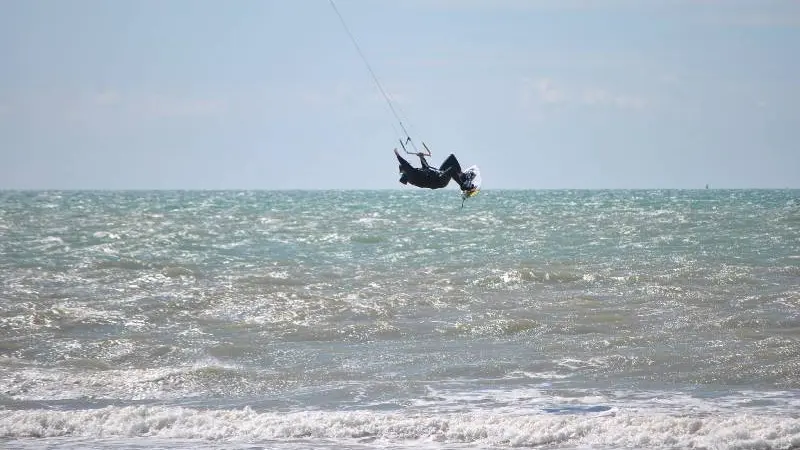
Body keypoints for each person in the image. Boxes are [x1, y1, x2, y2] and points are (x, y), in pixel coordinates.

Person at [394, 148, 475, 191]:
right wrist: (397, 155)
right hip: (439, 181)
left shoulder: (414, 173)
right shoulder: (411, 177)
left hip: (438, 174)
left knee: (451, 158)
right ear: (405, 171)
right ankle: (463, 186)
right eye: (406, 169)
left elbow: (426, 168)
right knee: (452, 169)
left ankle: (463, 177)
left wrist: (421, 157)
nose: (409, 165)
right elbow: (405, 164)